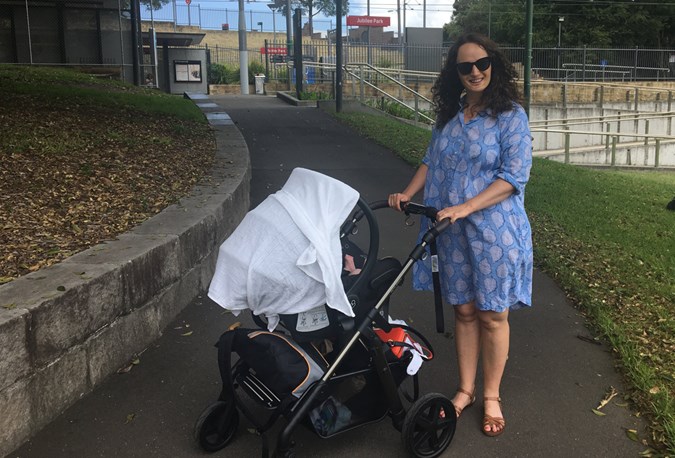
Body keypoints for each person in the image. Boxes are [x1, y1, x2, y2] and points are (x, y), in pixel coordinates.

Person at [388, 32, 533, 437]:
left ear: (495, 66)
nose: (475, 72)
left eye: (482, 64)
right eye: (465, 67)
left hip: (493, 232)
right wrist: (406, 193)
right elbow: (430, 161)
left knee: (492, 315)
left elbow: (513, 178)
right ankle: (465, 389)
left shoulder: (511, 116)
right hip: (450, 231)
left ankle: (491, 395)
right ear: (455, 73)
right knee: (464, 311)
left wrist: (466, 207)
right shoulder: (451, 115)